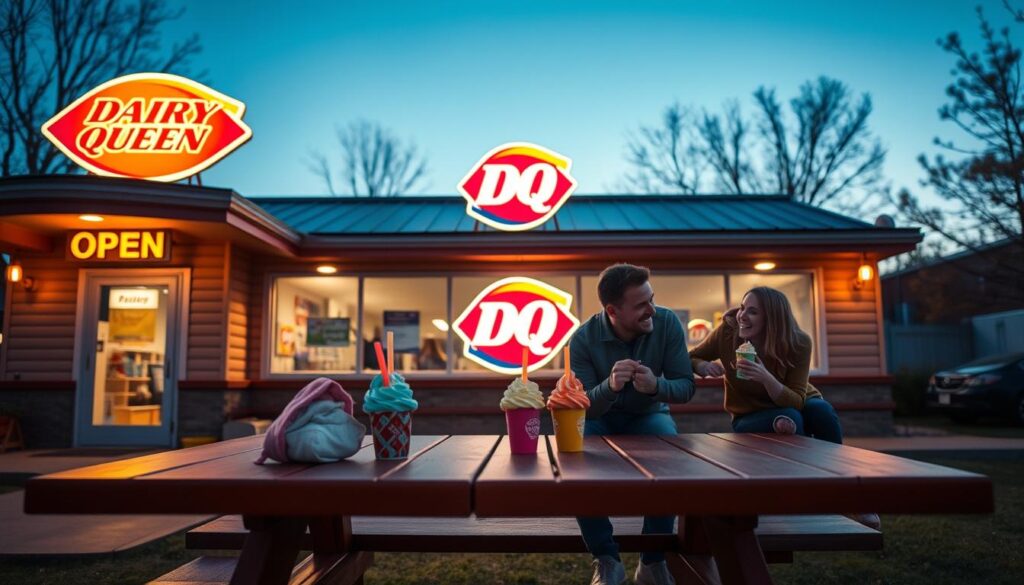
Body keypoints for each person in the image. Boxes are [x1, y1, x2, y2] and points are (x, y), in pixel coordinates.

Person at [689, 286, 879, 529]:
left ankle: (847, 494)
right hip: (749, 414)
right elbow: (691, 356)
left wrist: (765, 377)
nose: (742, 316)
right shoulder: (728, 333)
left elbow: (798, 399)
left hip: (795, 400)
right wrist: (703, 367)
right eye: (743, 308)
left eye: (753, 312)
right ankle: (797, 496)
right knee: (788, 418)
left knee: (821, 412)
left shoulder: (798, 342)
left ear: (773, 319)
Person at [570, 263, 695, 585]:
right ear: (612, 310)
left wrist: (657, 386)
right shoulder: (582, 340)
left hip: (650, 414)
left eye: (651, 299)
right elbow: (584, 407)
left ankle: (652, 561)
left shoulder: (667, 323)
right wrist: (609, 387)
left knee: (670, 457)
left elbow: (685, 386)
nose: (651, 310)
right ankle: (607, 559)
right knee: (576, 460)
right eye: (641, 305)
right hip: (601, 420)